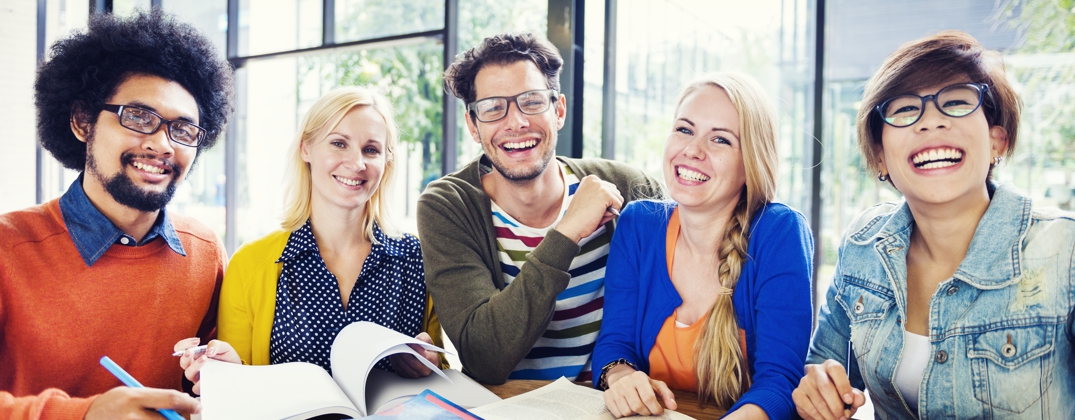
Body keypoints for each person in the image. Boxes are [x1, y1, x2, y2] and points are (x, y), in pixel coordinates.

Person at [793, 30, 1075, 419]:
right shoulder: (863, 245)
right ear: (880, 156)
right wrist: (817, 390)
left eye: (956, 102)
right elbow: (824, 368)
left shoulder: (1066, 250)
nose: (931, 122)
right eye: (905, 109)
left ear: (998, 140)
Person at [0, 9, 233, 420]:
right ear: (82, 122)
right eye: (139, 117)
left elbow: (214, 385)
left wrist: (223, 376)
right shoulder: (8, 248)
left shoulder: (205, 252)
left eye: (183, 130)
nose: (163, 145)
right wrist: (86, 414)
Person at [418, 32, 664, 385]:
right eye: (492, 108)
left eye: (531, 102)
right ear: (473, 126)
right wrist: (567, 232)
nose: (515, 122)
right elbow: (484, 356)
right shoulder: (448, 205)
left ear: (559, 110)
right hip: (508, 408)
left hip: (614, 405)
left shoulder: (629, 188)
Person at [175, 86, 446, 394]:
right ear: (306, 149)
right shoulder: (251, 265)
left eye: (371, 150)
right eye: (339, 143)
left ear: (386, 162)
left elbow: (440, 372)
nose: (357, 163)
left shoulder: (418, 259)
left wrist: (431, 365)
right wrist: (228, 374)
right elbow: (238, 389)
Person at [593, 73, 813, 419]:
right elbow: (614, 344)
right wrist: (620, 377)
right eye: (684, 129)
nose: (692, 150)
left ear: (751, 163)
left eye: (721, 140)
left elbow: (780, 382)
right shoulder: (639, 224)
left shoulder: (779, 232)